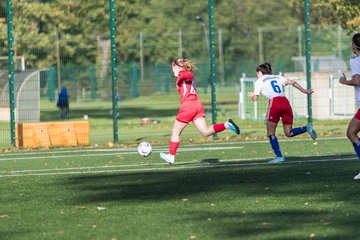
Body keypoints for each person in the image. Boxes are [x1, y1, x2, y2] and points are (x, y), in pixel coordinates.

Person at [160, 57, 240, 164]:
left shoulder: (183, 74)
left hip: (188, 106)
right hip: (197, 105)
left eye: (173, 67)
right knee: (205, 132)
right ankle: (226, 125)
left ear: (176, 66)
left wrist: (180, 73)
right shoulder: (183, 74)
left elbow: (188, 75)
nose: (172, 70)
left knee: (175, 132)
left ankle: (171, 156)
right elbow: (188, 76)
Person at [247, 62, 317, 164]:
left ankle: (279, 157)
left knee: (270, 133)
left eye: (257, 73)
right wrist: (304, 91)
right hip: (285, 102)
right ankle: (306, 128)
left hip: (275, 103)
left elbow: (255, 98)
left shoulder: (260, 80)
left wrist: (251, 95)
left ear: (260, 72)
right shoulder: (278, 77)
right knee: (288, 133)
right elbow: (292, 82)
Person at [339, 33, 360, 180]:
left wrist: (344, 81)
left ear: (354, 46)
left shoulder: (355, 60)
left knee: (351, 133)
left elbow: (357, 81)